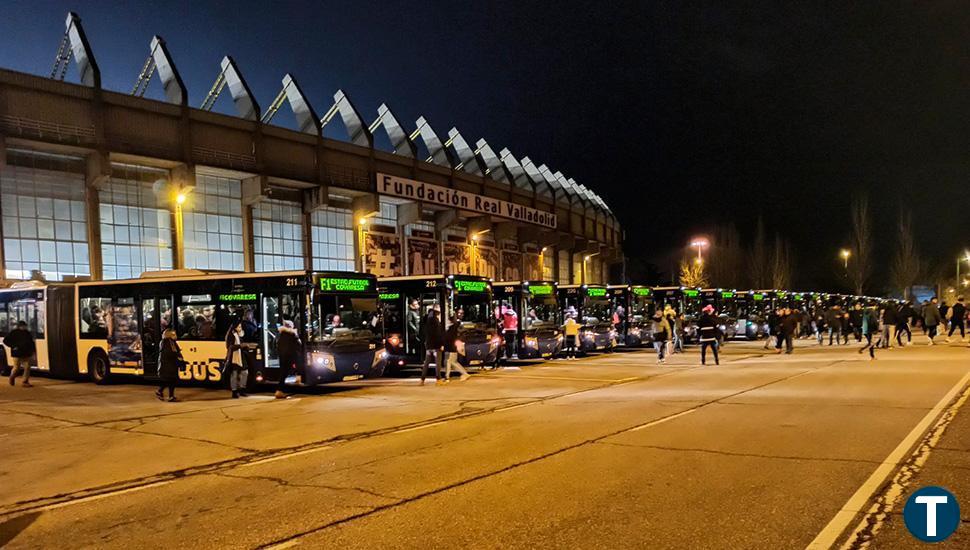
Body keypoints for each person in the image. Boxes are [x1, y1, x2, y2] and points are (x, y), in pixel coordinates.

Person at [275, 320, 302, 399]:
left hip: (282, 356)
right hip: (289, 356)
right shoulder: (292, 335)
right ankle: (280, 390)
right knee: (285, 373)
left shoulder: (281, 335)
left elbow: (277, 346)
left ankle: (279, 390)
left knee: (283, 373)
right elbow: (298, 346)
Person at [5, 320, 35, 387]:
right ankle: (12, 377)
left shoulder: (27, 333)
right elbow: (5, 341)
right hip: (17, 353)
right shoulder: (13, 333)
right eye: (23, 326)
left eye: (25, 326)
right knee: (16, 367)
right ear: (20, 326)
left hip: (26, 353)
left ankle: (25, 381)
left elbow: (31, 343)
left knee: (27, 367)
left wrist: (33, 351)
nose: (25, 327)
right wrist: (13, 346)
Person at [420, 304, 445, 384]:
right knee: (438, 363)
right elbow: (438, 334)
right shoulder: (436, 322)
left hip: (428, 346)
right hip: (436, 346)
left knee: (426, 363)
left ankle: (422, 379)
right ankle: (438, 379)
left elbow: (424, 334)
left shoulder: (426, 322)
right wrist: (441, 344)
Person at [224, 321, 250, 398]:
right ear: (235, 327)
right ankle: (234, 391)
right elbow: (230, 347)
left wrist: (244, 346)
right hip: (234, 357)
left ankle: (242, 389)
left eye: (240, 327)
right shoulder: (231, 335)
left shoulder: (241, 334)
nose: (240, 328)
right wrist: (240, 346)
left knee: (245, 372)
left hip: (241, 356)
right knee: (234, 374)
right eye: (239, 327)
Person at [155, 329, 182, 402]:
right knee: (169, 380)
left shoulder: (171, 342)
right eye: (173, 334)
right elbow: (169, 353)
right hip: (167, 365)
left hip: (171, 364)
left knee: (171, 380)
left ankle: (170, 395)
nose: (175, 336)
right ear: (169, 335)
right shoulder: (166, 342)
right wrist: (177, 356)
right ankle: (161, 392)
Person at [442, 315, 470, 382]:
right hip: (453, 347)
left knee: (449, 362)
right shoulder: (456, 327)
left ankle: (447, 377)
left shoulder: (451, 329)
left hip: (450, 348)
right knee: (453, 362)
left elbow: (448, 338)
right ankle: (463, 374)